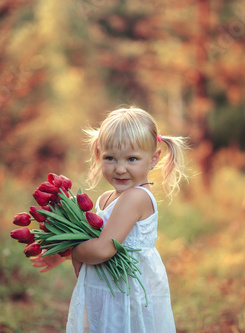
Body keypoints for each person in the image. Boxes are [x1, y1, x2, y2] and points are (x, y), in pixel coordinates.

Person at [31, 107, 188, 333]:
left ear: (153, 159)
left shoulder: (136, 197)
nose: (120, 168)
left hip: (126, 291)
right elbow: (93, 241)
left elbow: (104, 248)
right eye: (110, 158)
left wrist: (69, 251)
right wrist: (60, 255)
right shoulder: (105, 199)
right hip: (108, 289)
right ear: (98, 155)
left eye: (132, 159)